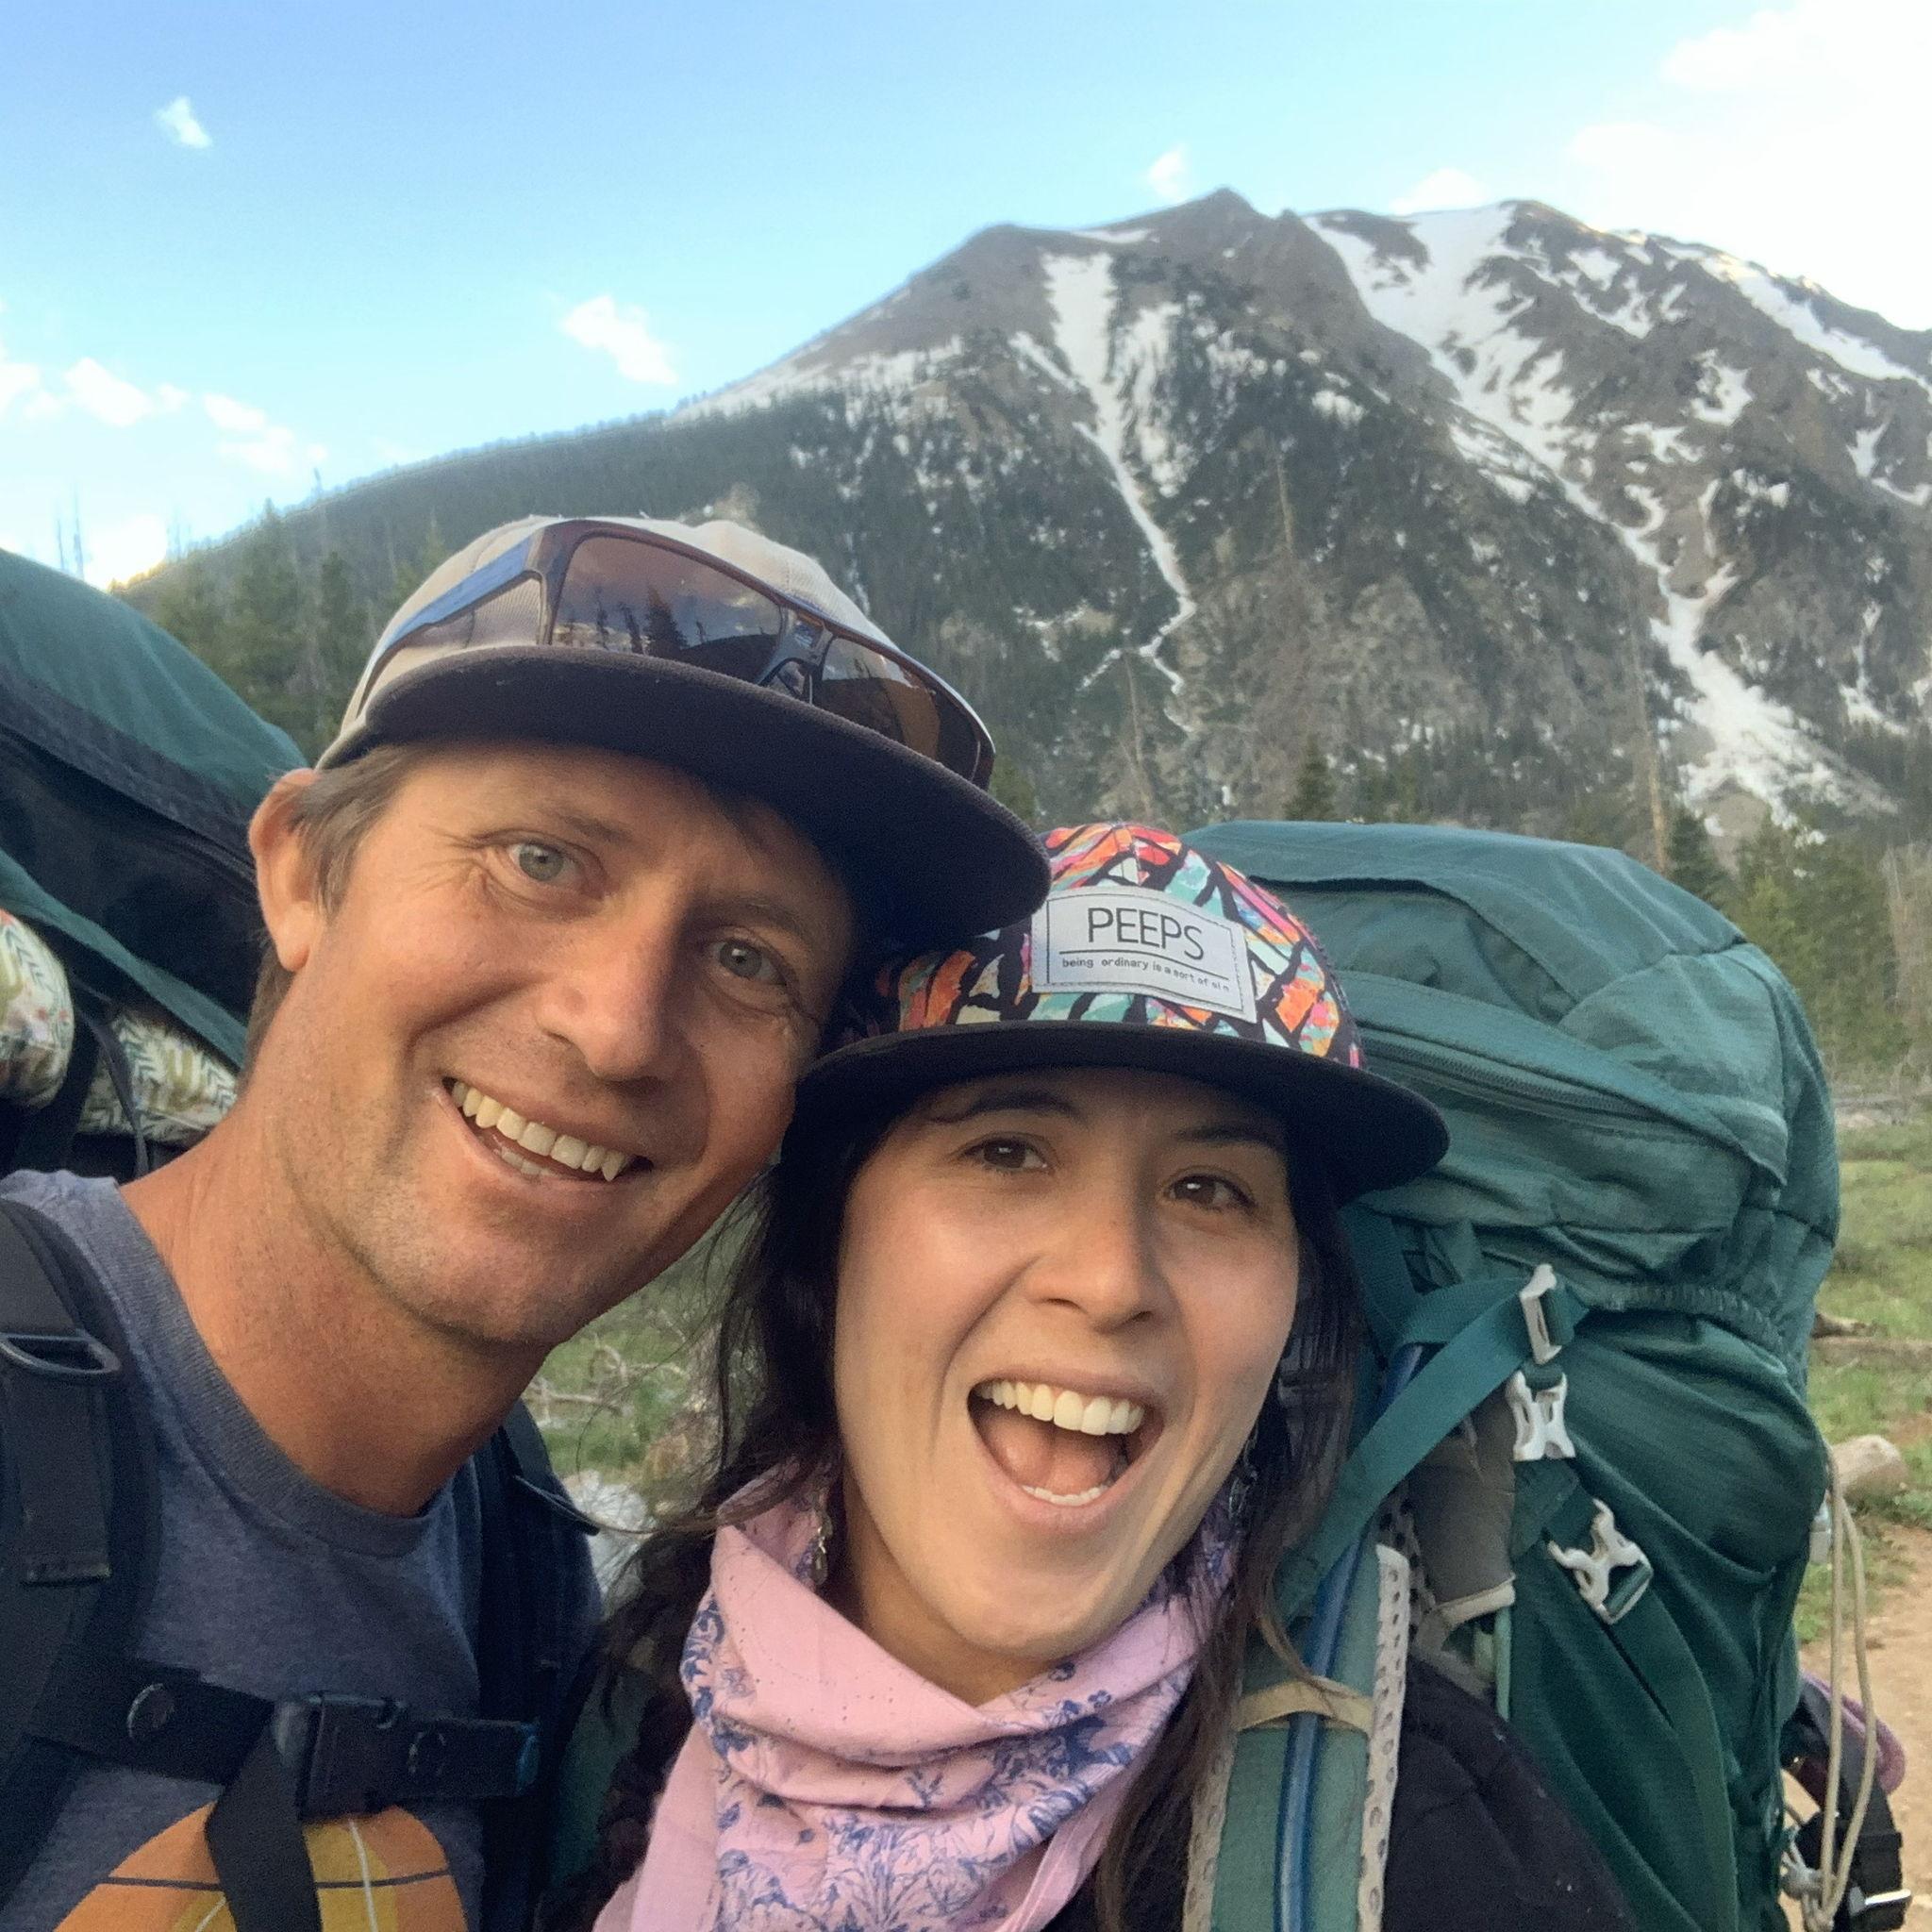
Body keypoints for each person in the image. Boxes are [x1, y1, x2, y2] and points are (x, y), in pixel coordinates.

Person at [0, 514, 1045, 1931]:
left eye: (750, 958)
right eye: (540, 861)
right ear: (304, 872)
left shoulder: (528, 1579)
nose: (617, 1030)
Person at [547, 822, 1641, 1932]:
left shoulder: (1419, 1851)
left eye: (1211, 1188)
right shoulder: (623, 1699)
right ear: (828, 1245)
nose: (1112, 1279)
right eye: (1007, 1151)